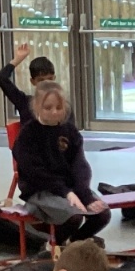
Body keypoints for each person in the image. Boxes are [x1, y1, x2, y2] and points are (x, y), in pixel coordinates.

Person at [13, 84, 110, 245]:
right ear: (37, 107)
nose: (54, 112)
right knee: (73, 216)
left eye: (58, 107)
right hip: (41, 192)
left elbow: (80, 166)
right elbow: (35, 173)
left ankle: (74, 244)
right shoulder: (28, 134)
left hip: (69, 190)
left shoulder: (70, 131)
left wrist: (85, 195)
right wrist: (66, 193)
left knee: (102, 214)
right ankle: (53, 246)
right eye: (48, 108)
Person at [0, 44, 56, 126]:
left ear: (54, 78)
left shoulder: (61, 105)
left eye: (49, 79)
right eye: (41, 80)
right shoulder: (24, 102)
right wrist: (17, 59)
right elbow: (2, 78)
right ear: (33, 81)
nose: (46, 83)